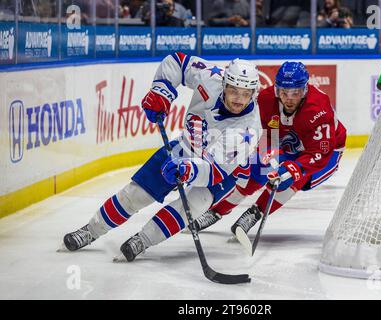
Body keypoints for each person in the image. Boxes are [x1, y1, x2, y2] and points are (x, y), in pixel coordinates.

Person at [62, 52, 262, 262]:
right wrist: (161, 91)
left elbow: (214, 172)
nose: (239, 99)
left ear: (253, 94)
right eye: (234, 91)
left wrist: (188, 170)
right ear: (224, 84)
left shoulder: (248, 128)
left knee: (196, 203)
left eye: (246, 93)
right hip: (188, 147)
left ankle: (144, 240)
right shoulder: (209, 77)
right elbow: (178, 62)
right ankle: (91, 230)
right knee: (135, 194)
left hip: (223, 170)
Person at [191, 61, 347, 238]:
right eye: (284, 92)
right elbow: (258, 132)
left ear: (304, 90)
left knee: (294, 179)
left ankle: (254, 213)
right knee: (257, 169)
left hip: (327, 153)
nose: (289, 98)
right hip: (284, 142)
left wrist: (293, 170)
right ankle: (217, 211)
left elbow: (320, 153)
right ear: (276, 89)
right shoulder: (265, 100)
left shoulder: (318, 108)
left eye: (295, 93)